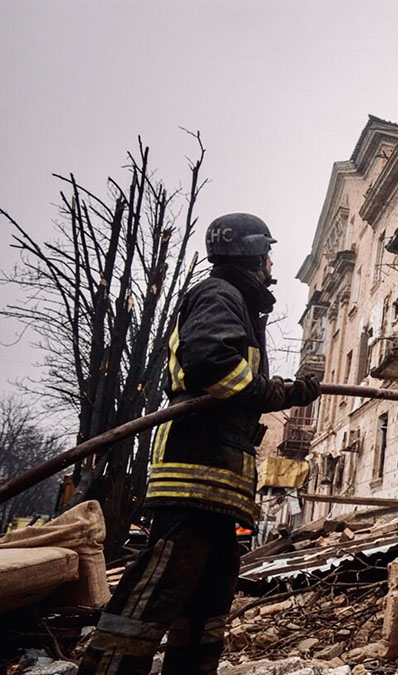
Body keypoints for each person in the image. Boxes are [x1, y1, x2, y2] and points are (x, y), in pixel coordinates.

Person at [78, 213, 322, 675]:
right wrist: (276, 393)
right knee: (163, 581)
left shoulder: (236, 302)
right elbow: (212, 365)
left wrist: (283, 392)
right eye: (268, 254)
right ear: (253, 255)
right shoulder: (219, 294)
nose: (271, 263)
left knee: (209, 594)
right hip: (194, 470)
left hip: (218, 480)